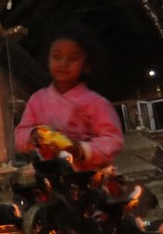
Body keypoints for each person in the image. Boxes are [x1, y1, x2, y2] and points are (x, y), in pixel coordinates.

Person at [13, 30, 124, 171]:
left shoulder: (97, 103)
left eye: (72, 58)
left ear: (87, 66)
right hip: (50, 176)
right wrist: (33, 135)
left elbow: (113, 140)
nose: (63, 63)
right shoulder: (37, 100)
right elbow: (20, 134)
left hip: (89, 176)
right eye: (57, 57)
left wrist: (83, 149)